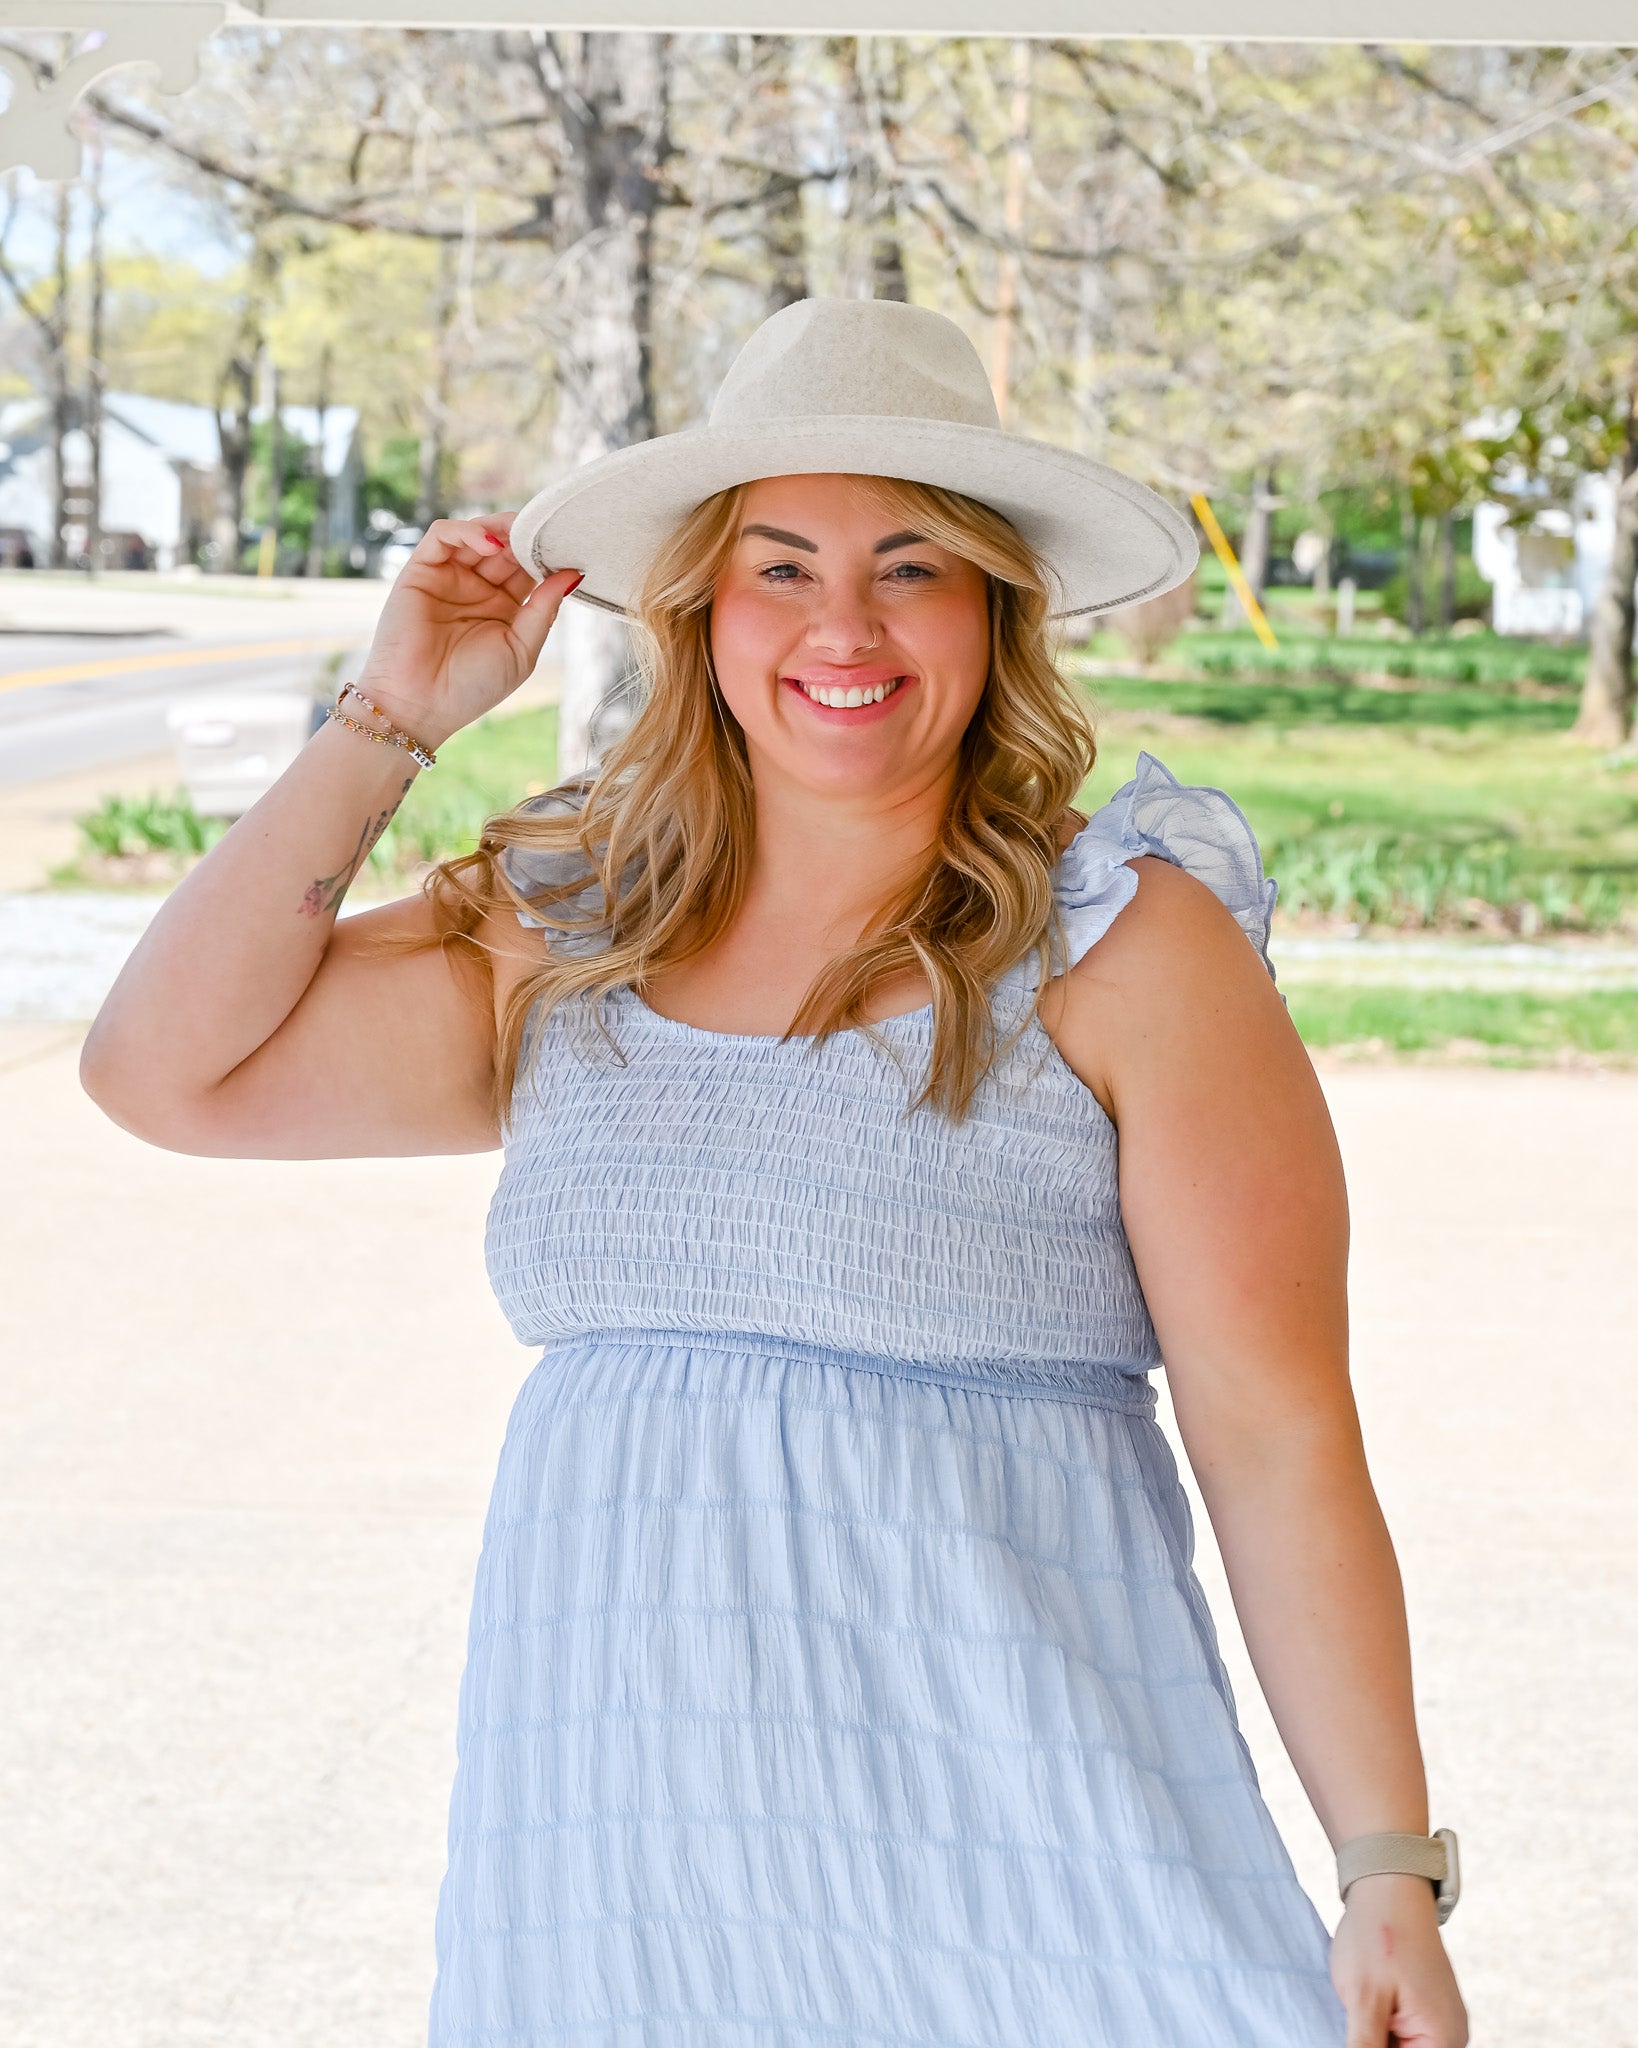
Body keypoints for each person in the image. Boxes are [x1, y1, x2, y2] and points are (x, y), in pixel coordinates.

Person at [80, 296, 1467, 2048]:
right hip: (622, 1888)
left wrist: (1385, 1867)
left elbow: (1275, 1433)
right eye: (782, 568)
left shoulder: (1129, 942)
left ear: (991, 606)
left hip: (1033, 1867)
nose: (845, 627)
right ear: (704, 612)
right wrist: (394, 716)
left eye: (909, 567)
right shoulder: (570, 927)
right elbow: (162, 1070)